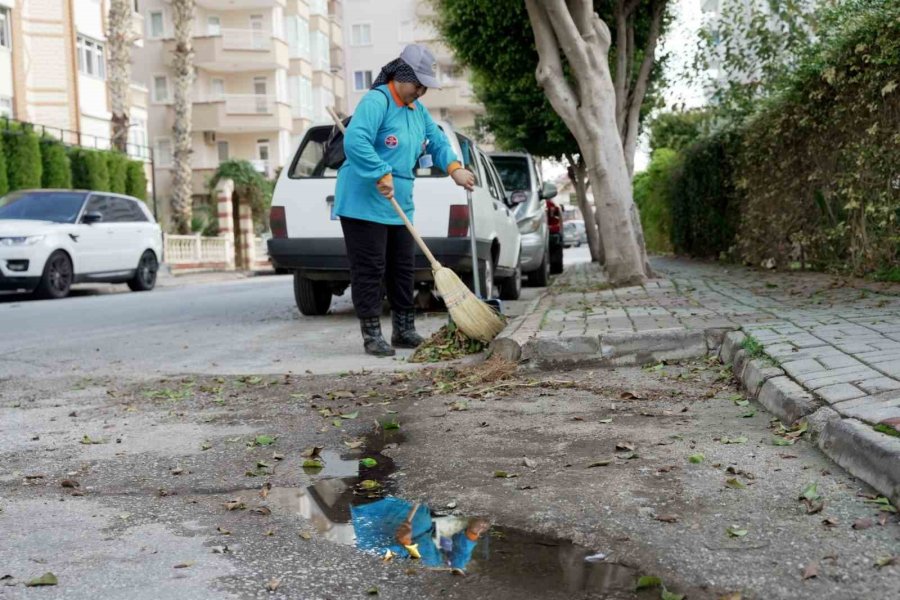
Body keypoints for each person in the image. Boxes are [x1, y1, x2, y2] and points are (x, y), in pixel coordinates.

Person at [335, 44, 476, 357]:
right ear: (402, 75)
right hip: (364, 200)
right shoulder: (377, 101)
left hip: (400, 202)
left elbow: (437, 142)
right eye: (418, 84)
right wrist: (380, 171)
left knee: (402, 267)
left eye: (425, 86)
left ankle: (404, 329)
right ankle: (372, 335)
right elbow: (355, 140)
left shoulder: (416, 110)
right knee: (370, 268)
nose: (421, 91)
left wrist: (454, 169)